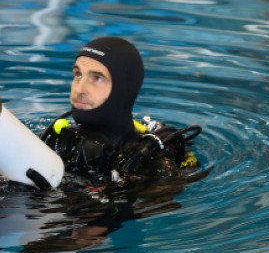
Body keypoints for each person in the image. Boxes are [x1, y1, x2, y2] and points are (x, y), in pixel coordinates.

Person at [40, 36, 201, 189]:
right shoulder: (54, 140)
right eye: (78, 74)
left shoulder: (151, 167)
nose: (80, 89)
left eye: (97, 78)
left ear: (123, 89)